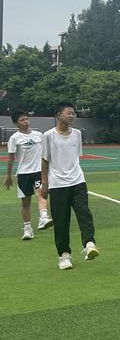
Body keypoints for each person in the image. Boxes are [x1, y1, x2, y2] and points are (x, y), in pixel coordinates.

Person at [40, 102, 99, 270]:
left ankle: (89, 244)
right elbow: (44, 161)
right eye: (69, 113)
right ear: (59, 115)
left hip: (78, 182)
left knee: (84, 214)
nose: (73, 116)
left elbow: (76, 158)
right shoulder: (48, 136)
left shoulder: (77, 134)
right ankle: (64, 255)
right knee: (61, 222)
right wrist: (45, 183)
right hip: (57, 185)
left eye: (74, 113)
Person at [3, 111, 52, 240]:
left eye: (27, 119)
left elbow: (45, 153)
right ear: (16, 123)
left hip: (38, 171)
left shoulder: (38, 135)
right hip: (23, 173)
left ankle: (43, 217)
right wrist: (8, 176)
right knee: (25, 203)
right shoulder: (14, 138)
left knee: (41, 193)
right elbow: (11, 158)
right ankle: (27, 229)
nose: (26, 121)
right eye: (22, 120)